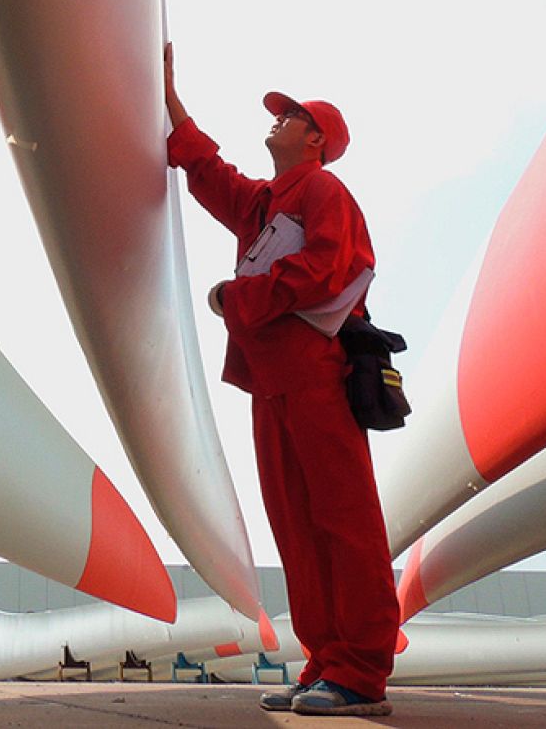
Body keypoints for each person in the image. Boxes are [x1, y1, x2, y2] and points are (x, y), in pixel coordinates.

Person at [163, 42, 398, 717]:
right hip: (274, 381)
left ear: (316, 138)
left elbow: (325, 270)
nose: (276, 120)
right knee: (297, 526)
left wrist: (231, 300)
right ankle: (327, 662)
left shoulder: (324, 191)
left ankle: (360, 671)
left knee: (343, 522)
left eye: (289, 115)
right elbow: (208, 171)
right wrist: (169, 97)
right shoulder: (266, 202)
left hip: (318, 375)